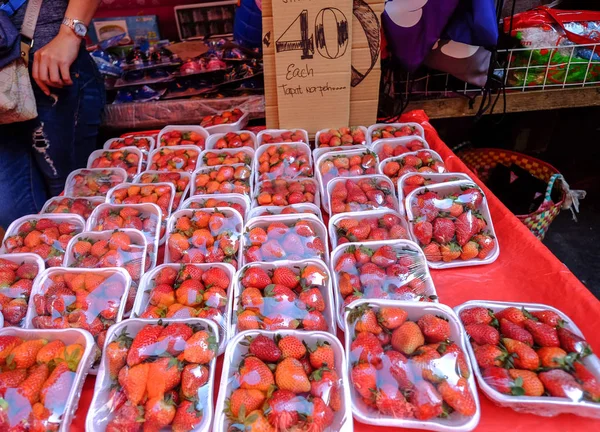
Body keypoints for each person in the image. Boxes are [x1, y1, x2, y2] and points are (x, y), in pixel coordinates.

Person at [0, 0, 105, 229]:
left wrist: (70, 34)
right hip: (3, 89)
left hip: (51, 73)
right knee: (17, 220)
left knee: (74, 204)